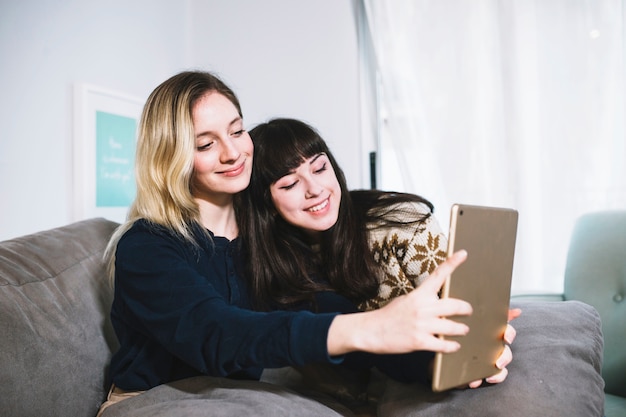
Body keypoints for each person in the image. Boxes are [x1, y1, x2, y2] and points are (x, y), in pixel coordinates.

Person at [98, 70, 478, 415]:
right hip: (152, 402)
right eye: (205, 144)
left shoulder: (265, 240)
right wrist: (372, 327)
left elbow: (331, 315)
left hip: (232, 401)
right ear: (172, 156)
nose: (232, 153)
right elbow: (216, 334)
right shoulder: (146, 246)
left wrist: (440, 362)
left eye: (236, 130)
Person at [240, 117, 518, 392]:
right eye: (290, 184)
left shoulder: (402, 221)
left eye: (320, 168)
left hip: (429, 363)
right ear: (266, 204)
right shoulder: (273, 269)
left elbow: (464, 317)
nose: (315, 189)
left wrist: (484, 336)